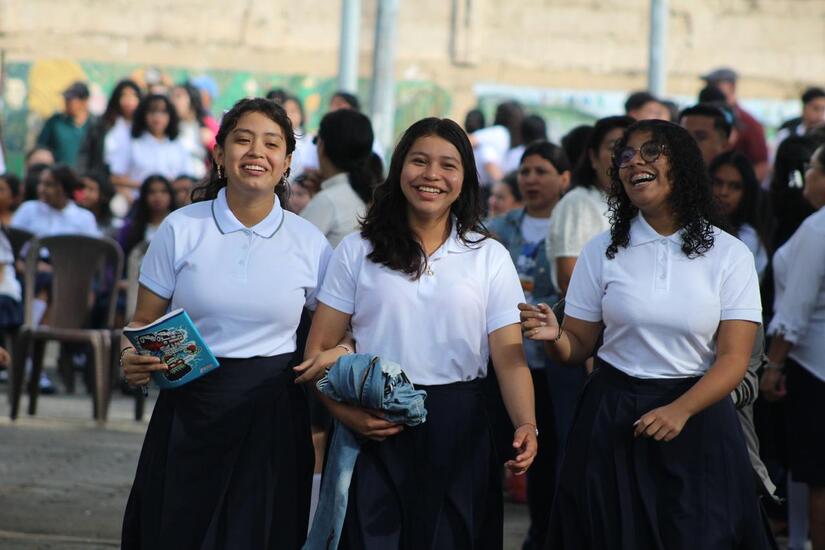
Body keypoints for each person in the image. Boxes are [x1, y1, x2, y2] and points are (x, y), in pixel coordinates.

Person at [521, 119, 774, 549]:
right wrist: (555, 336)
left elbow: (734, 359)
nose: (634, 161)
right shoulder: (601, 249)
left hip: (699, 416)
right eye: (625, 155)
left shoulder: (729, 253)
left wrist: (680, 411)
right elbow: (578, 345)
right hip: (612, 417)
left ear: (682, 165)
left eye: (651, 150)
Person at [295, 117, 538, 548]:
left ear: (465, 179)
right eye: (419, 161)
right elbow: (318, 353)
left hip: (460, 428)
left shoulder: (489, 257)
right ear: (398, 168)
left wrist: (527, 424)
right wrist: (346, 415)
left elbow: (508, 358)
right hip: (374, 423)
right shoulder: (358, 249)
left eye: (448, 165)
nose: (431, 175)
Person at [120, 98, 338, 549]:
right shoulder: (180, 228)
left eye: (271, 144)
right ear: (220, 154)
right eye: (243, 140)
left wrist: (341, 350)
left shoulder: (309, 242)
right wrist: (131, 358)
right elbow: (142, 322)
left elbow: (338, 331)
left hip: (273, 415)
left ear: (287, 162)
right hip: (189, 409)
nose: (256, 152)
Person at [486, 140, 569, 550]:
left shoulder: (573, 228)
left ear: (564, 178)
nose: (531, 180)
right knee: (499, 450)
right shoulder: (499, 228)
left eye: (542, 172)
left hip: (555, 360)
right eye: (525, 172)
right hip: (507, 356)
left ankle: (544, 536)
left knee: (549, 455)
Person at [762, 143, 825, 550]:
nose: (808, 175)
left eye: (813, 167)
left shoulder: (818, 228)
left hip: (814, 368)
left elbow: (795, 309)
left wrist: (773, 365)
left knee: (819, 478)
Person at [546, 115, 634, 294]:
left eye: (629, 149)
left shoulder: (638, 205)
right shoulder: (578, 203)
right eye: (613, 147)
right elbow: (569, 279)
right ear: (593, 157)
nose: (622, 156)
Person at [300, 109, 374, 247]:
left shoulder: (328, 200)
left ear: (321, 145)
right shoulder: (366, 194)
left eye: (316, 140)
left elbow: (293, 248)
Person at [109, 94, 191, 199]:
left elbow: (187, 178)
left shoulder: (178, 144)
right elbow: (115, 178)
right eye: (152, 111)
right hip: (138, 200)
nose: (157, 117)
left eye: (163, 112)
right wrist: (144, 187)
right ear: (143, 114)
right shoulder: (132, 143)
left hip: (173, 202)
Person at [708, 151, 770, 279]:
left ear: (746, 193)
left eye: (735, 186)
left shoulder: (748, 239)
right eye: (718, 183)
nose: (724, 192)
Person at [701, 67, 770, 181]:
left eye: (715, 84)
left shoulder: (749, 123)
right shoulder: (697, 118)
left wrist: (740, 186)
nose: (710, 88)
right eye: (708, 84)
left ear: (731, 87)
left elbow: (762, 165)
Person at [77, 79, 142, 175]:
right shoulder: (102, 125)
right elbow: (87, 154)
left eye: (133, 96)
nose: (129, 101)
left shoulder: (145, 127)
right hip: (105, 177)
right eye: (124, 95)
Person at [116, 174, 176, 260]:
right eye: (152, 192)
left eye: (163, 191)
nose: (158, 196)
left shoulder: (178, 226)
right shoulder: (130, 228)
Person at [36, 82, 94, 168]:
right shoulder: (55, 122)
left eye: (70, 99)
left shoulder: (96, 124)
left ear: (84, 101)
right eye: (66, 99)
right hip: (59, 174)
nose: (66, 102)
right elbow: (41, 148)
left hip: (88, 175)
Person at [171, 82, 217, 179]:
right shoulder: (169, 126)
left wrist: (211, 142)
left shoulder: (208, 123)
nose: (173, 101)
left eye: (178, 96)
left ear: (192, 98)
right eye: (172, 96)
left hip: (202, 180)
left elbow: (223, 152)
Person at [77, 171, 120, 238]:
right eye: (81, 188)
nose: (85, 193)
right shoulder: (73, 217)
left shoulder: (113, 224)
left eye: (91, 189)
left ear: (103, 195)